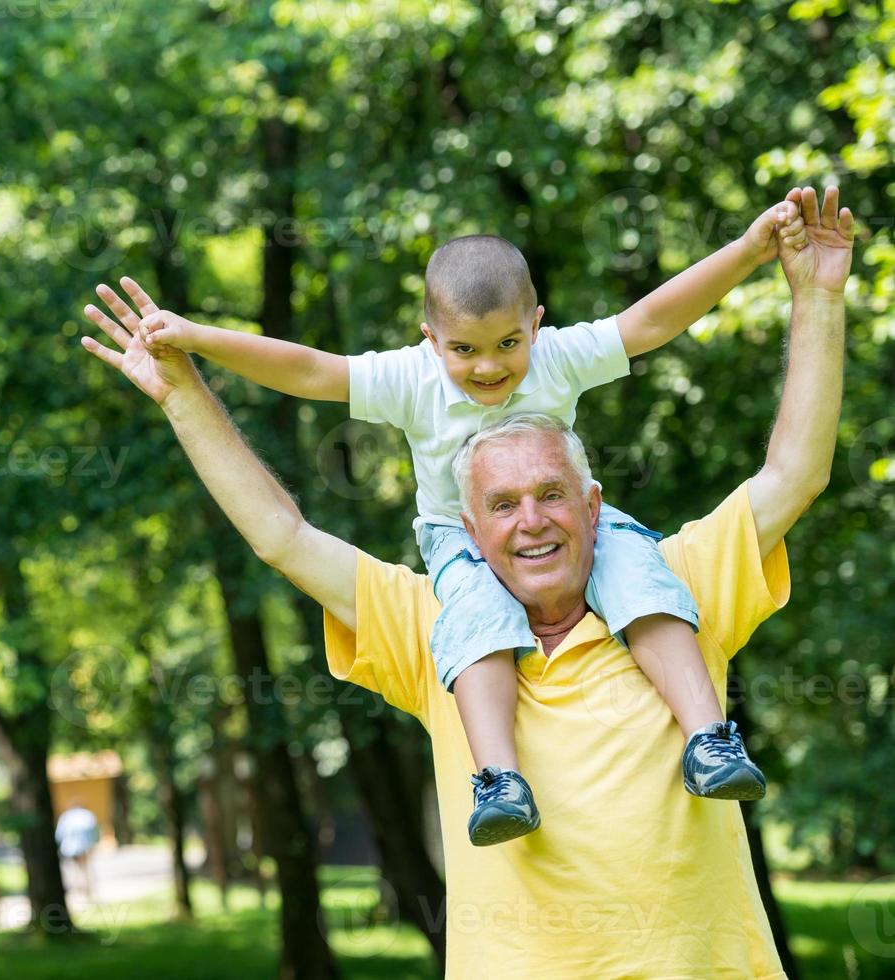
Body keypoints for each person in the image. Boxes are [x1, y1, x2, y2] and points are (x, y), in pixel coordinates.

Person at [77, 186, 851, 976]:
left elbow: (791, 467)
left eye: (551, 494)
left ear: (592, 505)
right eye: (502, 505)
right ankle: (498, 780)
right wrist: (186, 383)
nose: (531, 521)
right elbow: (283, 530)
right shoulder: (435, 625)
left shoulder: (672, 588)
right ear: (471, 530)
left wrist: (813, 294)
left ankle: (708, 741)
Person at [54, 806, 100, 900]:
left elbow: (59, 834)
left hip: (69, 847)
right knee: (86, 868)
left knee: (74, 869)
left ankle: (79, 889)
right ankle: (88, 888)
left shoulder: (66, 816)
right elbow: (94, 831)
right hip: (84, 846)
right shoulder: (87, 815)